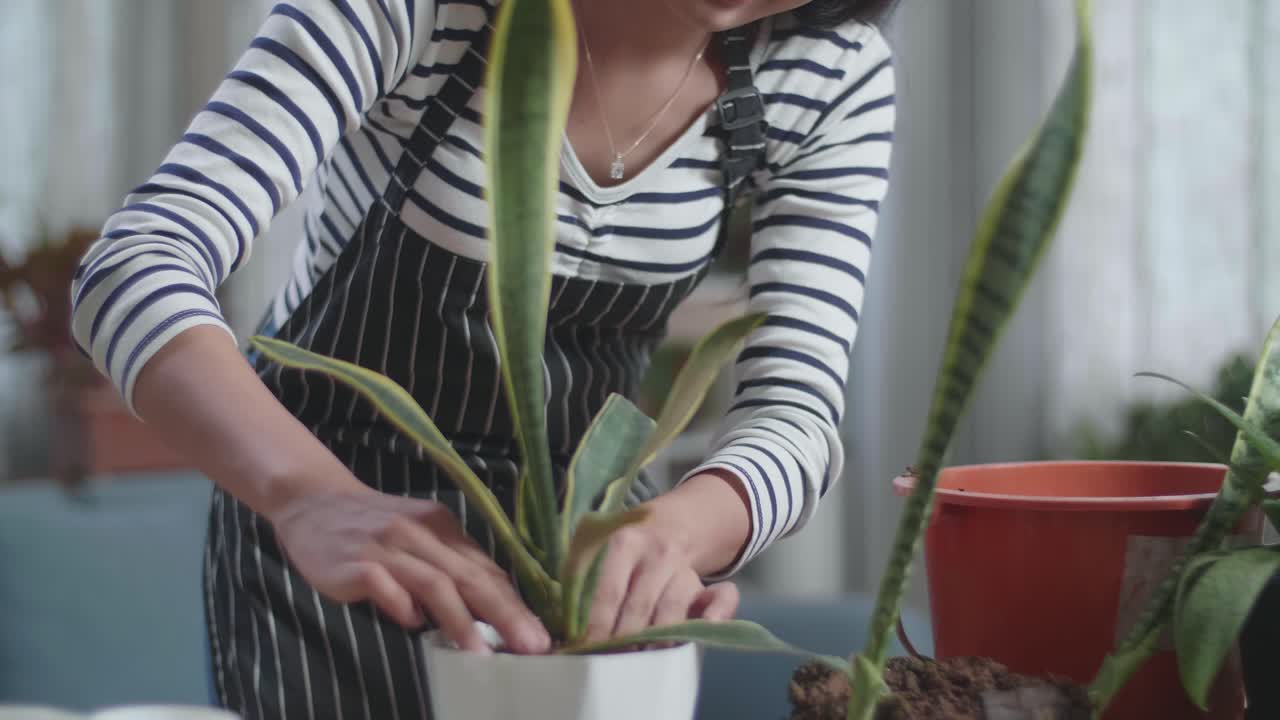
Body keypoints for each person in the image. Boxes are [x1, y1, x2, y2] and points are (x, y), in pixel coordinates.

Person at [69, 0, 897, 717]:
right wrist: (309, 497)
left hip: (581, 584)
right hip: (339, 565)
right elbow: (135, 266)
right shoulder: (419, 12)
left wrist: (676, 533)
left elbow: (797, 412)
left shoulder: (831, 73)